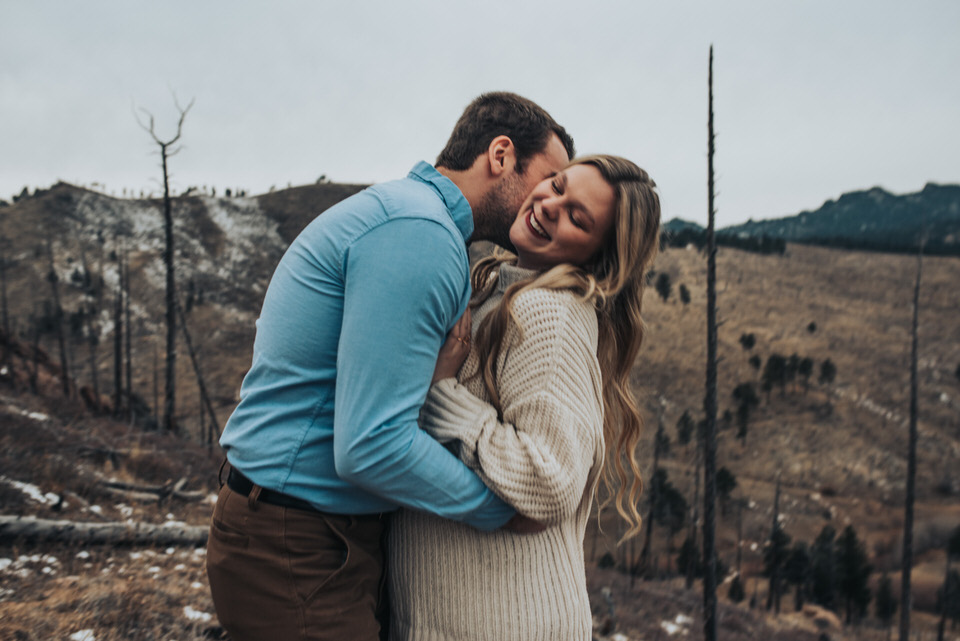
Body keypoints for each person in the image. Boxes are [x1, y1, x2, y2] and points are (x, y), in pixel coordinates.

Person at [205, 92, 574, 641]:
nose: (545, 200)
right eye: (549, 179)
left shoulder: (407, 216)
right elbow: (371, 443)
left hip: (303, 532)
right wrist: (500, 509)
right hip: (297, 543)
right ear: (501, 155)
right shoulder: (420, 237)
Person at [389, 155, 661, 640]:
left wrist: (443, 394)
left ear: (597, 256)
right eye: (557, 185)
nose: (551, 204)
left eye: (578, 217)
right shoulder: (499, 290)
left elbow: (549, 479)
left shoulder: (547, 316)